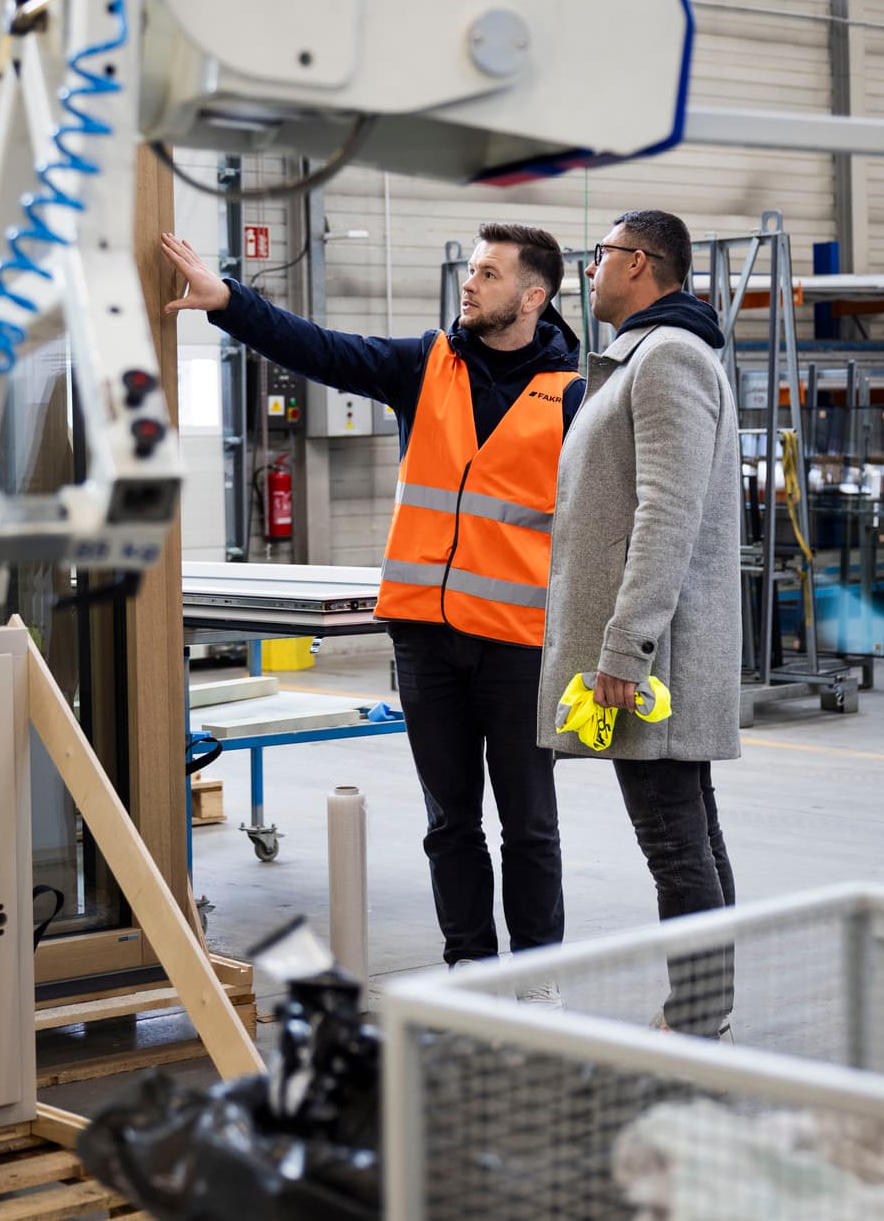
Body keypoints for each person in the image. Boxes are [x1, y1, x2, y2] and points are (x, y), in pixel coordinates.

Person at [162, 222, 583, 978]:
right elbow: (321, 349)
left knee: (528, 824)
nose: (469, 282)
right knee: (449, 821)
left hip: (519, 643)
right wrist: (228, 301)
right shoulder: (426, 365)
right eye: (471, 269)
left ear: (532, 297)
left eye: (488, 273)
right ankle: (468, 965)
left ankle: (535, 977)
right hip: (423, 639)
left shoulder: (573, 397)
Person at [537, 209, 741, 1036]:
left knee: (674, 842)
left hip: (656, 656)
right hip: (656, 646)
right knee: (690, 833)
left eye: (600, 255)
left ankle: (696, 1021)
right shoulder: (643, 355)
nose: (589, 270)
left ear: (640, 263)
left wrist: (626, 647)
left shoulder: (667, 358)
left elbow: (666, 513)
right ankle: (704, 1010)